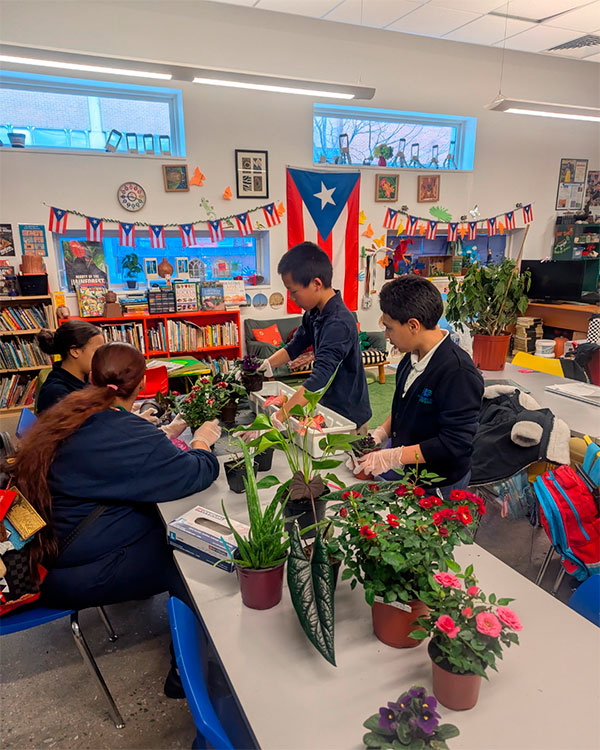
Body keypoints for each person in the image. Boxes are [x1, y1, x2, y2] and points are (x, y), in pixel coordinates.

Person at [10, 342, 221, 696]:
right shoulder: (121, 431)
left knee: (160, 526)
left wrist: (163, 434)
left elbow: (110, 458)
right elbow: (195, 474)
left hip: (41, 552)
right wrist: (202, 441)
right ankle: (185, 674)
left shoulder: (73, 411)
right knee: (189, 556)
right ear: (142, 384)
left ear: (92, 378)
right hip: (66, 574)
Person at [355, 275, 484, 497]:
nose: (386, 335)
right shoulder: (410, 358)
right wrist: (380, 434)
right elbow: (404, 407)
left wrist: (394, 456)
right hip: (411, 472)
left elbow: (454, 444)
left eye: (389, 328)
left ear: (413, 325)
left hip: (440, 482)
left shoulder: (458, 373)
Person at [258, 242, 372, 432]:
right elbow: (295, 346)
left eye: (294, 291)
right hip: (326, 407)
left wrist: (279, 416)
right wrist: (266, 364)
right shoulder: (313, 313)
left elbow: (320, 378)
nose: (292, 298)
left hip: (348, 415)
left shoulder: (338, 323)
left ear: (316, 284)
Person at [36, 320, 105, 412]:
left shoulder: (86, 379)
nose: (101, 357)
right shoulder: (56, 393)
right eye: (97, 351)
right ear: (74, 351)